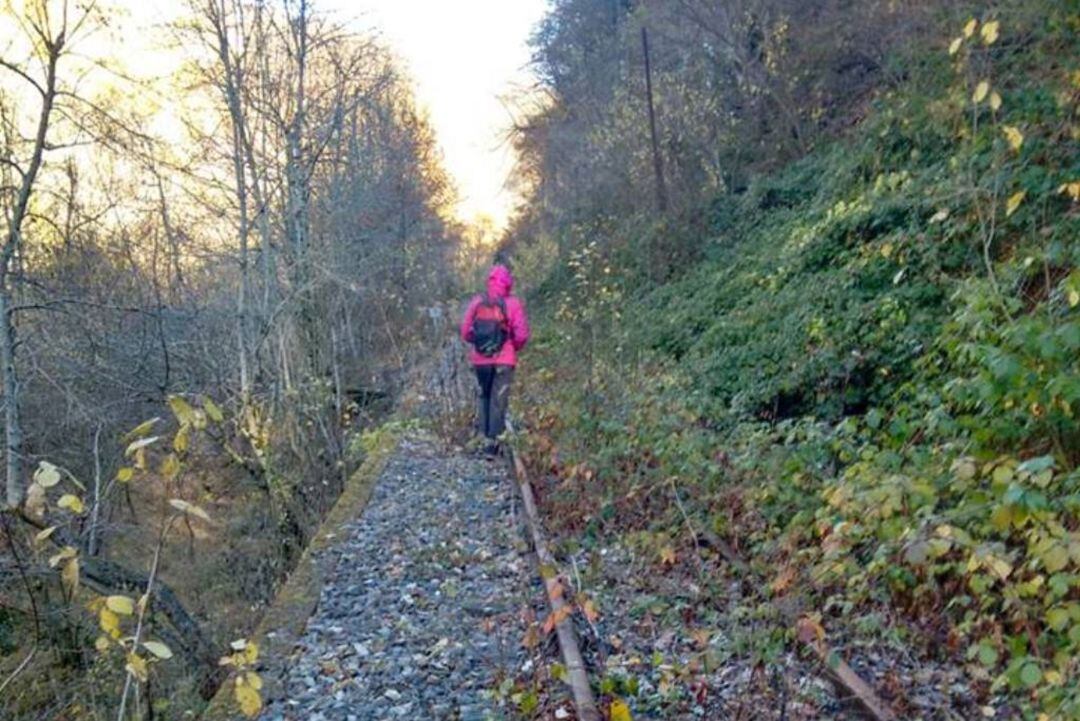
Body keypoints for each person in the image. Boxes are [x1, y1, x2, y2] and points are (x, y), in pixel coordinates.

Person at [460, 263, 530, 456]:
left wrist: (477, 343)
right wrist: (512, 348)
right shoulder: (513, 304)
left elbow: (465, 331)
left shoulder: (477, 301)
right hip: (504, 360)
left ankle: (483, 436)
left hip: (481, 361)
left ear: (489, 281)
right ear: (508, 283)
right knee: (498, 401)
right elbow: (522, 334)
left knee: (484, 396)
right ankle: (492, 444)